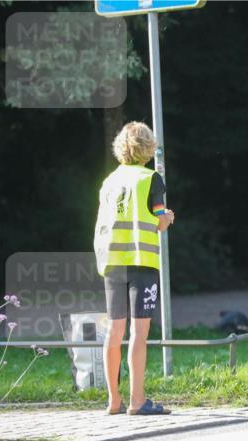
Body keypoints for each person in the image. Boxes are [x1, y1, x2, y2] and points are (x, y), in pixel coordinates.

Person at [93, 121, 175, 416]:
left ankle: (113, 401)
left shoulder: (109, 181)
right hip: (142, 261)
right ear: (149, 147)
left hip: (112, 262)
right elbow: (159, 219)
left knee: (114, 331)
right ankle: (137, 400)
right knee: (139, 332)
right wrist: (168, 218)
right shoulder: (151, 179)